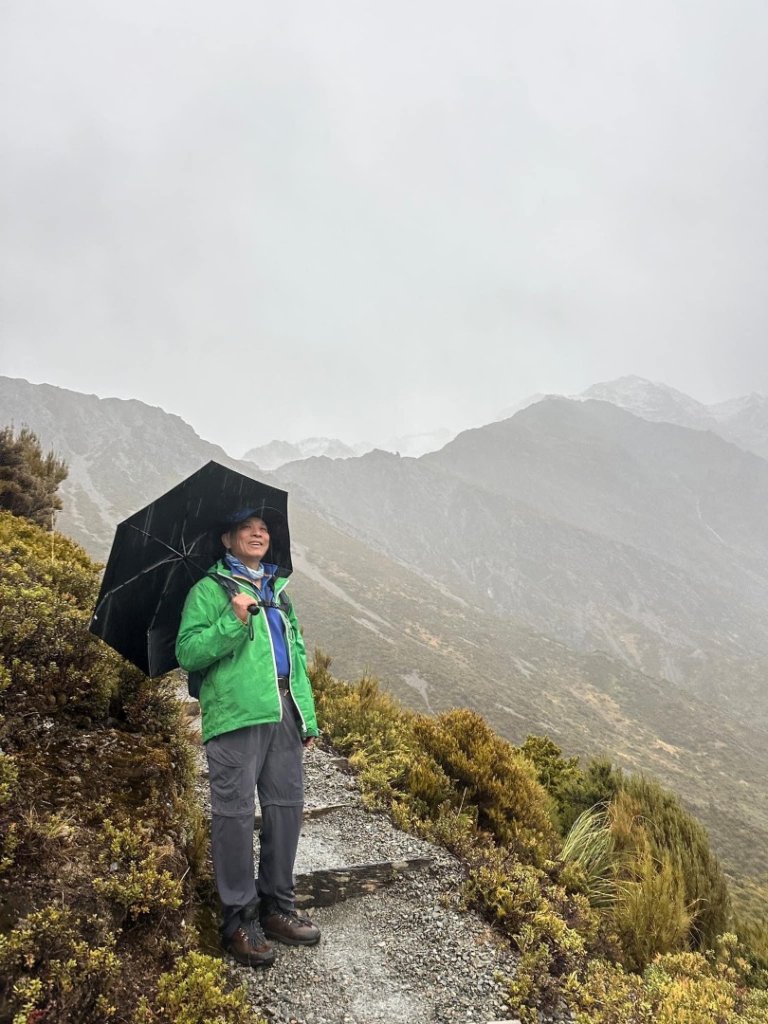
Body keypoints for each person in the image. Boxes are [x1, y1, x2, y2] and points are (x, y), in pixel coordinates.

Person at [176, 508, 321, 967]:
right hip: (236, 716)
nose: (258, 533)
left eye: (263, 528)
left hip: (283, 713)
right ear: (227, 539)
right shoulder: (209, 590)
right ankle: (238, 920)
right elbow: (188, 652)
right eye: (246, 528)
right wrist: (233, 622)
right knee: (235, 817)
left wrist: (308, 718)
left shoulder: (280, 594)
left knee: (285, 812)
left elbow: (295, 655)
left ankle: (278, 907)